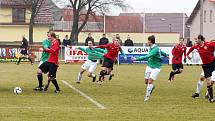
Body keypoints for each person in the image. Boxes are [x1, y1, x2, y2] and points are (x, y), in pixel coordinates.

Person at [131, 35, 168, 102]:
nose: (147, 42)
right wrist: (166, 55)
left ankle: (147, 97)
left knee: (150, 81)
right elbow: (161, 52)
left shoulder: (155, 49)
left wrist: (136, 58)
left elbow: (148, 56)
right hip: (149, 66)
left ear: (150, 42)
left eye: (148, 41)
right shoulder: (153, 47)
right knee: (146, 81)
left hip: (156, 67)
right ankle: (151, 87)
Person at [187, 35, 215, 103]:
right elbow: (191, 48)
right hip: (206, 66)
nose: (196, 41)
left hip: (213, 63)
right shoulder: (197, 46)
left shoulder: (208, 44)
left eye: (197, 39)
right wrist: (187, 55)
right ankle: (211, 98)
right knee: (208, 81)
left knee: (212, 80)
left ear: (201, 40)